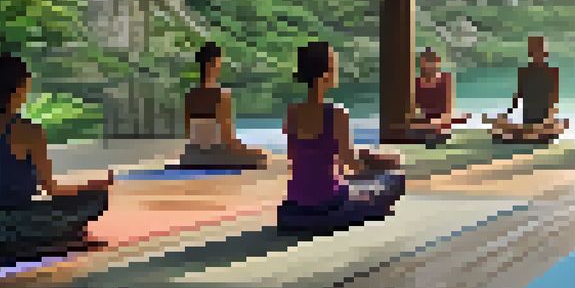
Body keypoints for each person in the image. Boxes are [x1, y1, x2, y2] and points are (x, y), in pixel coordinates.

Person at [0, 54, 114, 256]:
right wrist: (93, 184)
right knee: (96, 198)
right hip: (11, 226)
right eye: (26, 87)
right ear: (15, 89)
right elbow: (51, 189)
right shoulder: (29, 130)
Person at [277, 42, 407, 233]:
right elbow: (353, 165)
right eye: (334, 67)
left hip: (297, 203)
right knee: (394, 179)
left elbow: (300, 155)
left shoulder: (292, 112)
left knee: (360, 181)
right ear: (326, 74)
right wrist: (377, 163)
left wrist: (361, 156)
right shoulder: (336, 113)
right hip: (329, 204)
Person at [177, 42, 269, 169]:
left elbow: (190, 134)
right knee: (260, 157)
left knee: (254, 154)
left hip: (191, 156)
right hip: (215, 156)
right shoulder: (222, 95)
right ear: (214, 63)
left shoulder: (190, 95)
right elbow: (228, 140)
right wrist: (247, 150)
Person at [488, 36, 568, 143]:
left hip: (544, 118)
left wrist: (549, 120)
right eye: (535, 50)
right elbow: (518, 96)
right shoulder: (524, 72)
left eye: (540, 50)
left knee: (553, 127)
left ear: (545, 52)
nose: (537, 54)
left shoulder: (551, 73)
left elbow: (553, 100)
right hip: (528, 118)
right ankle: (530, 135)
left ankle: (529, 135)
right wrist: (507, 114)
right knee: (501, 124)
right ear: (530, 53)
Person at [401, 48, 471, 143]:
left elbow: (448, 108)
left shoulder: (445, 79)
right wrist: (427, 122)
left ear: (437, 62)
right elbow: (411, 112)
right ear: (421, 64)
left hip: (442, 122)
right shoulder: (416, 83)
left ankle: (435, 132)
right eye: (425, 62)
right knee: (411, 126)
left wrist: (439, 121)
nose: (428, 65)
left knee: (459, 119)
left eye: (431, 62)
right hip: (425, 123)